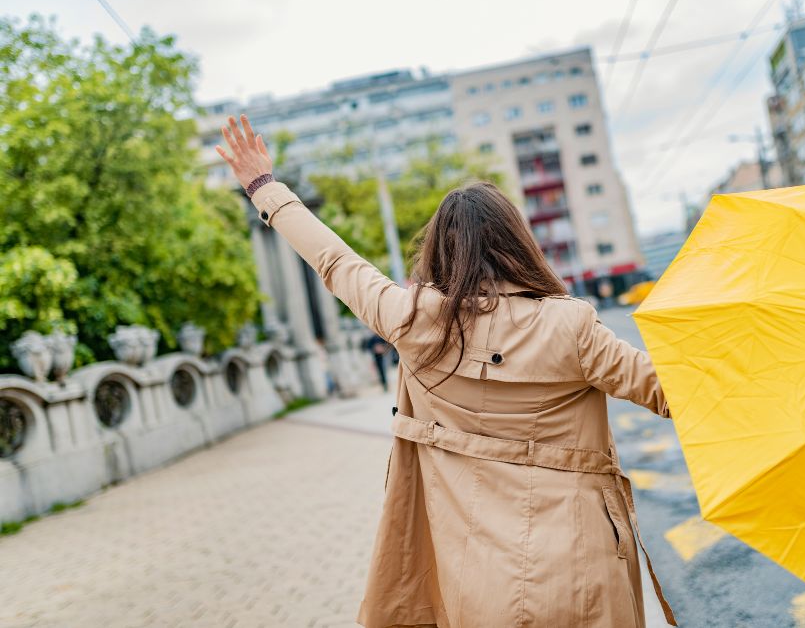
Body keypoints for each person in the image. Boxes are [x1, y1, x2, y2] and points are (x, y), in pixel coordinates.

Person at [216, 115, 677, 627]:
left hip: (475, 578)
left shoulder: (411, 319)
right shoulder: (572, 325)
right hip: (583, 564)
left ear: (441, 248)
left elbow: (335, 262)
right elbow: (672, 392)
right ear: (518, 242)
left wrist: (263, 186)